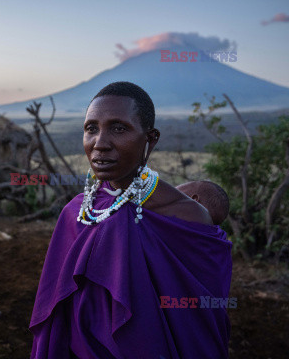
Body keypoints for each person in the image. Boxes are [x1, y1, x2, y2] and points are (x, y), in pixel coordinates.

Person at [29, 82, 233, 359]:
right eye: (91, 129)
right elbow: (57, 314)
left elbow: (198, 325)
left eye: (119, 128)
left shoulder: (187, 216)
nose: (100, 143)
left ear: (150, 139)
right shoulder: (75, 212)